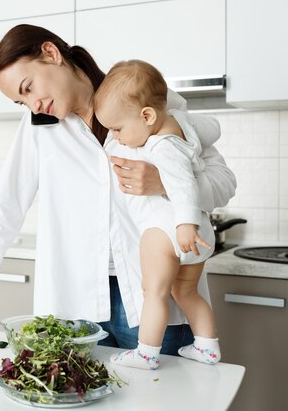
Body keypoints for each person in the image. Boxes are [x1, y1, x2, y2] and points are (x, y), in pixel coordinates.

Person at [0, 24, 236, 356]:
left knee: (163, 399)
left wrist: (162, 181)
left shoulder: (139, 94)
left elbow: (225, 182)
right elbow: (3, 211)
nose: (34, 105)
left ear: (51, 54)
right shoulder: (39, 129)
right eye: (22, 101)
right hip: (76, 306)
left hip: (153, 297)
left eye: (29, 87)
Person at [93, 59, 221, 369]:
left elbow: (182, 185)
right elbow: (213, 128)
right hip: (197, 232)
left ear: (147, 115)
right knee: (186, 292)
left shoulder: (163, 145)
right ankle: (207, 346)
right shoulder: (180, 125)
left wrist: (184, 225)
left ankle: (147, 352)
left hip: (168, 230)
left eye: (118, 129)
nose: (117, 136)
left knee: (154, 292)